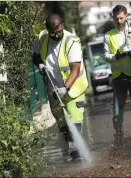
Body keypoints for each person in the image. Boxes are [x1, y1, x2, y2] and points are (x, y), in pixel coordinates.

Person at [32, 13, 89, 161]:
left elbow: (75, 68)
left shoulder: (71, 41)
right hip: (53, 87)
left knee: (74, 119)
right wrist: (40, 64)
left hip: (74, 88)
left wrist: (65, 87)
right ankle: (70, 145)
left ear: (62, 25)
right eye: (53, 32)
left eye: (59, 30)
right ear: (48, 30)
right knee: (60, 120)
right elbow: (35, 55)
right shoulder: (42, 38)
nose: (57, 35)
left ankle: (76, 152)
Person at [103, 4, 131, 149]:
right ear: (113, 18)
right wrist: (116, 56)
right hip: (118, 78)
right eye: (116, 19)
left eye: (121, 18)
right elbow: (106, 56)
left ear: (126, 16)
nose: (119, 21)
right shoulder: (108, 35)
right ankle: (119, 136)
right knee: (117, 112)